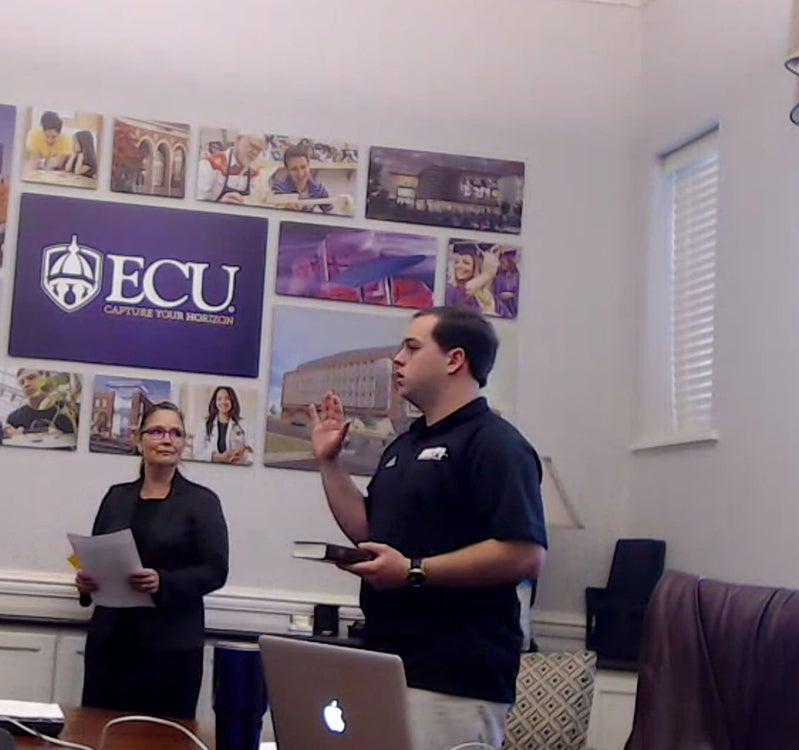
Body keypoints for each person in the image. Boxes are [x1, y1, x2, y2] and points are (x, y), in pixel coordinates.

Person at [309, 306, 547, 750]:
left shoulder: (497, 444)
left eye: (412, 348)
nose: (397, 358)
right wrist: (328, 463)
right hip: (387, 664)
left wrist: (414, 570)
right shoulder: (405, 443)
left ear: (455, 360)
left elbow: (524, 553)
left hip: (454, 680)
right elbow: (368, 531)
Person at [74, 403, 229, 718]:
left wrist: (164, 581)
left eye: (175, 433)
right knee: (100, 732)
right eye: (156, 431)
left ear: (184, 443)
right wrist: (85, 582)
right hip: (111, 644)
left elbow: (215, 571)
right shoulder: (116, 497)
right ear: (138, 440)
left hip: (170, 647)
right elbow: (97, 553)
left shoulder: (201, 501)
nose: (166, 439)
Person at [198, 132, 266, 204]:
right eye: (252, 146)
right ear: (238, 140)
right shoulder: (210, 165)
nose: (255, 152)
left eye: (259, 150)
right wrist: (219, 205)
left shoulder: (255, 174)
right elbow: (197, 206)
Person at [5, 370, 75, 437]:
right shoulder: (14, 418)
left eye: (31, 378)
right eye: (22, 383)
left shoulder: (68, 411)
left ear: (45, 378)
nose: (26, 384)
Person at [193, 386, 253, 465]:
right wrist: (219, 457)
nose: (223, 402)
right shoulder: (204, 424)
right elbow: (197, 453)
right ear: (215, 402)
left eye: (227, 398)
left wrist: (244, 448)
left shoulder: (242, 424)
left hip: (237, 468)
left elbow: (253, 444)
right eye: (219, 399)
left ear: (232, 401)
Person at [269, 143, 334, 213]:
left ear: (309, 165)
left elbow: (329, 212)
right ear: (287, 170)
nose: (300, 173)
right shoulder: (279, 188)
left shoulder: (319, 188)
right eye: (294, 169)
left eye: (303, 167)